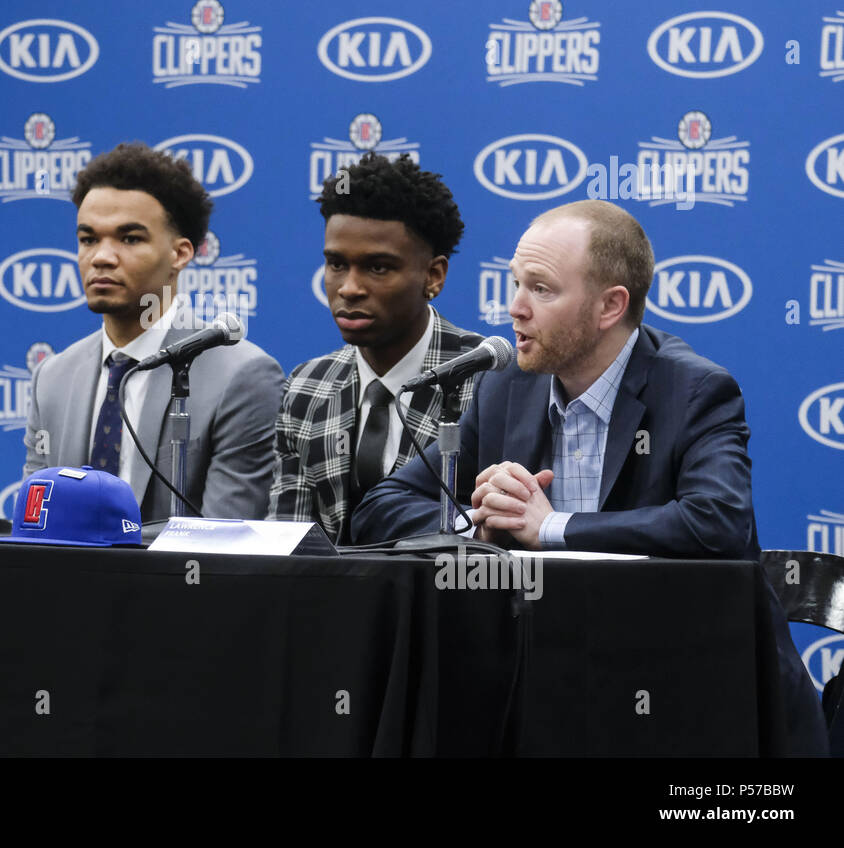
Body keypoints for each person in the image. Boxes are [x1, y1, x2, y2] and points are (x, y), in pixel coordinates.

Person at [350, 199, 826, 752]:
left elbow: (716, 522)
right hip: (555, 689)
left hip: (695, 694)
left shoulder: (695, 391)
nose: (515, 309)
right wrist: (475, 526)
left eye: (542, 289)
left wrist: (552, 528)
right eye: (515, 284)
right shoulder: (505, 390)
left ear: (609, 306)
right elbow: (382, 505)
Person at [23, 142, 283, 523]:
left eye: (130, 239)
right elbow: (37, 526)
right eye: (88, 239)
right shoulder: (53, 377)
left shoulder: (242, 376)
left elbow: (223, 543)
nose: (101, 257)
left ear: (180, 254)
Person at [269, 153, 483, 543]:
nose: (349, 287)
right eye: (336, 264)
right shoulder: (305, 386)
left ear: (433, 275)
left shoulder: (486, 380)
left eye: (378, 267)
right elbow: (290, 543)